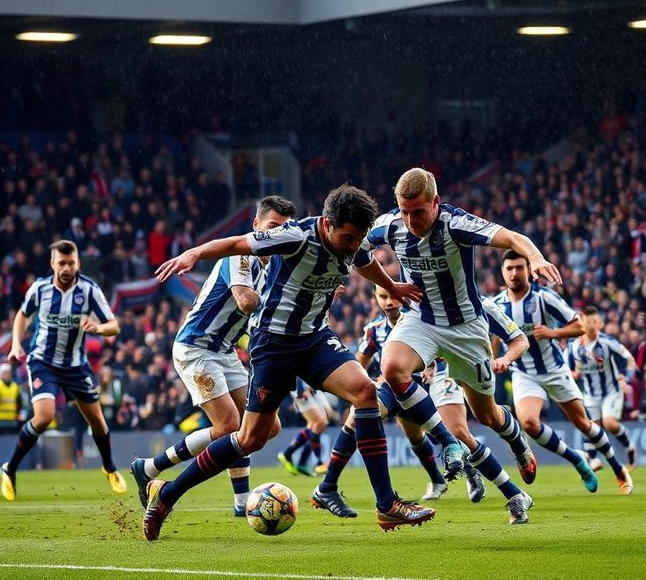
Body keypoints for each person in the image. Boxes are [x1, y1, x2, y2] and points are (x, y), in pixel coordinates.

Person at [143, 185, 434, 539]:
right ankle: (167, 494)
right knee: (249, 438)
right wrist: (193, 254)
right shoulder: (295, 236)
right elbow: (236, 244)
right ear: (327, 224)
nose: (353, 244)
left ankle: (387, 505)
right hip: (273, 344)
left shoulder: (353, 243)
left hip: (314, 339)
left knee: (364, 392)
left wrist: (393, 285)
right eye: (347, 237)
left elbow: (364, 261)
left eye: (358, 238)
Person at [354, 168, 542, 511]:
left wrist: (537, 258)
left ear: (436, 202)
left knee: (486, 415)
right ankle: (447, 441)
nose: (410, 220)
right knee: (392, 367)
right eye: (404, 211)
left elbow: (514, 238)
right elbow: (356, 249)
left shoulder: (458, 224)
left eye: (419, 212)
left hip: (466, 329)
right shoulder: (390, 225)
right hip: (421, 321)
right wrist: (391, 284)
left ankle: (516, 442)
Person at [131, 196, 296, 516]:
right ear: (256, 226)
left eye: (285, 230)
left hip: (225, 350)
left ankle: (239, 505)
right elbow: (246, 301)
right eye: (273, 227)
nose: (277, 236)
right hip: (195, 347)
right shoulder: (240, 254)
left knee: (267, 426)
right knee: (229, 425)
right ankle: (150, 467)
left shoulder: (275, 266)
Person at [311, 284, 477, 521]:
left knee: (429, 436)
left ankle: (456, 474)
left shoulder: (421, 324)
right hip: (390, 392)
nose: (389, 302)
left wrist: (435, 367)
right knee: (359, 413)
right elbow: (358, 364)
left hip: (422, 389)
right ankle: (328, 486)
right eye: (383, 297)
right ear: (375, 299)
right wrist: (366, 383)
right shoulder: (374, 330)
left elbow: (444, 351)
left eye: (393, 296)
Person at [492, 249, 633, 495]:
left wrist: (552, 333)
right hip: (524, 373)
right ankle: (577, 458)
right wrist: (495, 358)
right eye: (509, 269)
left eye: (519, 268)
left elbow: (578, 326)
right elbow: (493, 335)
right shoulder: (496, 305)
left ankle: (617, 467)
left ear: (528, 270)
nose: (514, 273)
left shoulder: (544, 297)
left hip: (555, 370)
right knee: (528, 423)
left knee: (583, 423)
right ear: (502, 274)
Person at [0, 239, 127, 501]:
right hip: (42, 361)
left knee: (98, 422)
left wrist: (99, 329)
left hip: (75, 365)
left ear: (77, 262)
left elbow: (114, 325)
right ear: (52, 264)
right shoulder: (40, 289)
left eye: (71, 262)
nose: (67, 268)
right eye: (62, 263)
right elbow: (23, 315)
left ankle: (109, 467)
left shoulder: (89, 290)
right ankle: (9, 469)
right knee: (45, 416)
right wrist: (15, 344)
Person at [567, 306, 637, 472]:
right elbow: (565, 369)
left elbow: (630, 360)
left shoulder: (607, 342)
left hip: (611, 392)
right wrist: (573, 373)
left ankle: (629, 445)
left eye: (594, 321)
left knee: (610, 424)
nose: (591, 325)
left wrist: (624, 377)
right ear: (581, 322)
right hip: (590, 395)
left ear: (599, 323)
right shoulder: (573, 346)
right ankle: (592, 460)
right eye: (588, 321)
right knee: (592, 428)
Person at [278, 379, 332, 476]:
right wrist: (301, 389)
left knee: (317, 424)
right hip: (302, 388)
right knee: (319, 422)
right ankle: (319, 463)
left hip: (312, 386)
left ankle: (295, 458)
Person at [0, 363, 22, 434]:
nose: (7, 375)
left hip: (11, 420)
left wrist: (17, 415)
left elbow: (19, 403)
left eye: (8, 372)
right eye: (4, 373)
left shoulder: (15, 386)